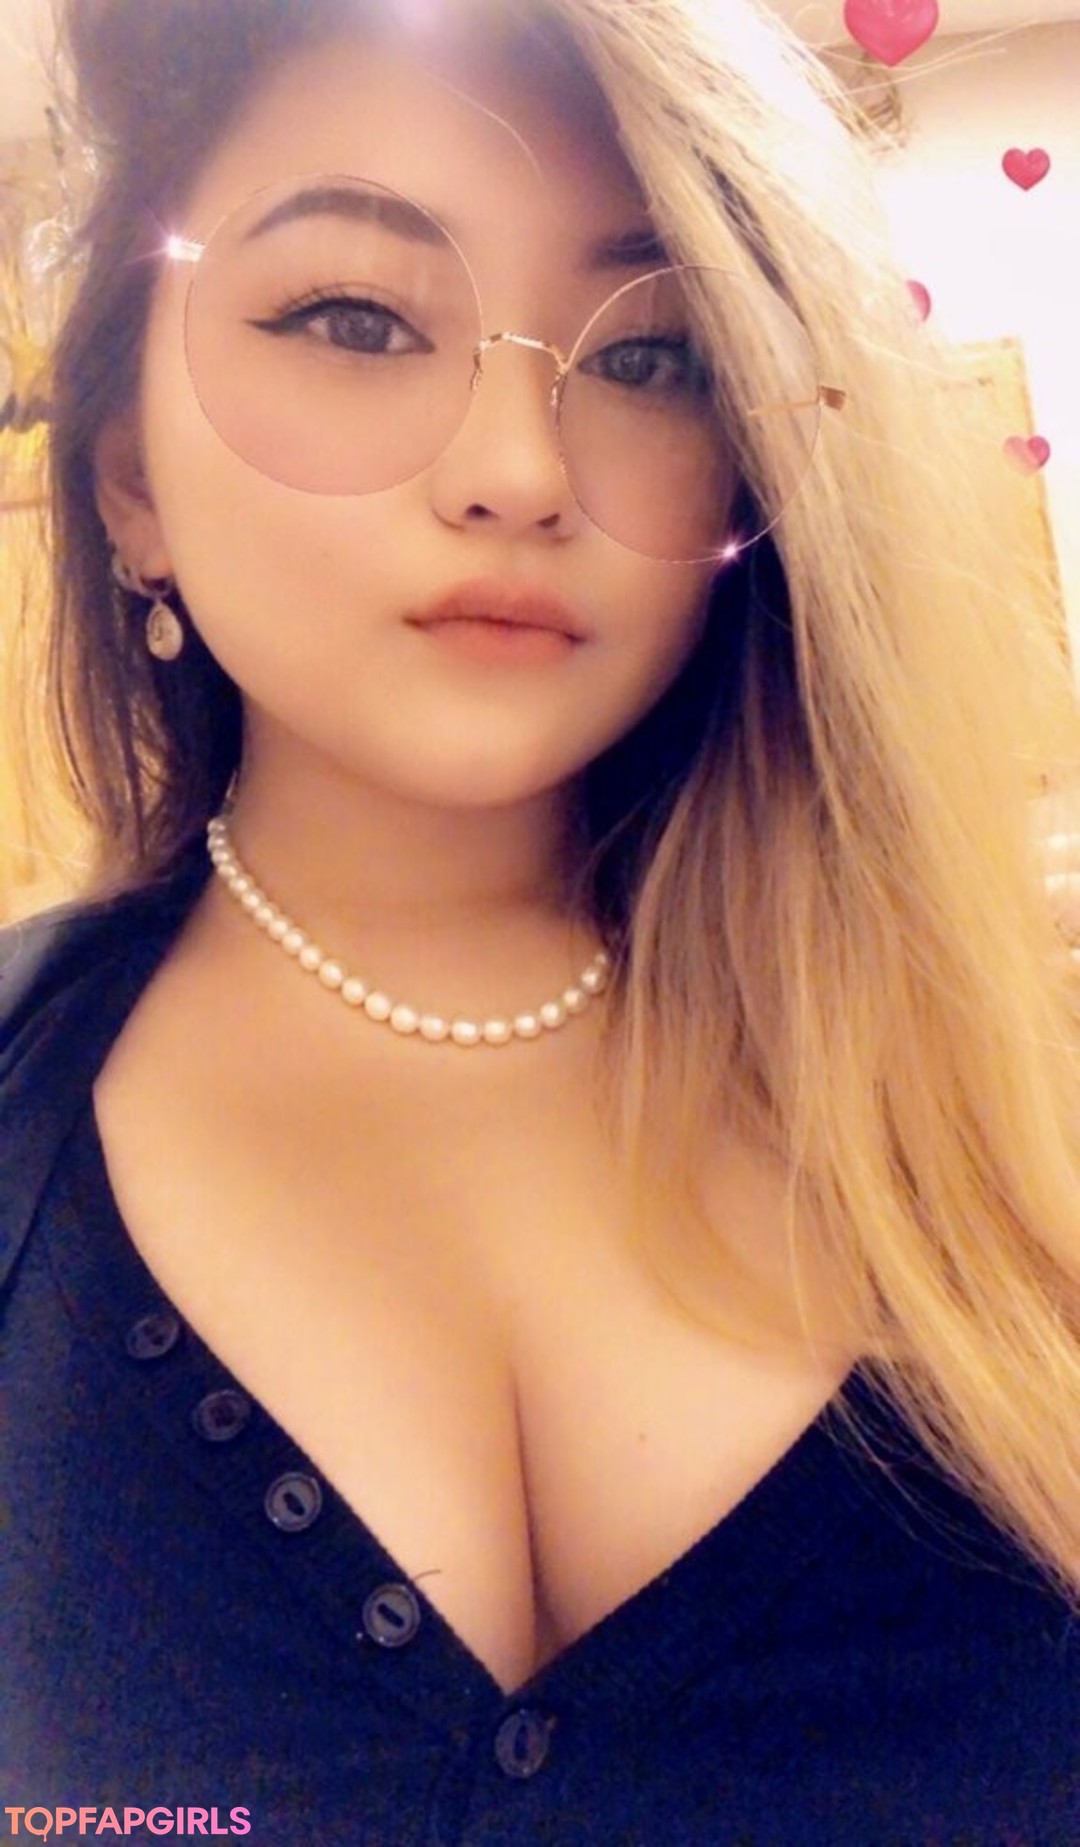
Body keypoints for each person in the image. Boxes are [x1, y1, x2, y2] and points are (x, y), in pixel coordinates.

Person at [2, 0, 1079, 1838]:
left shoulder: (997, 1115)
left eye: (651, 356)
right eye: (355, 320)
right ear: (128, 482)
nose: (521, 464)